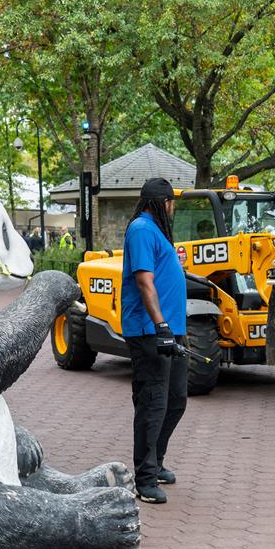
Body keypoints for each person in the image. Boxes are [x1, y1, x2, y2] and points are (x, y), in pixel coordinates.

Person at [120, 177, 187, 504]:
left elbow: (159, 273)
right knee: (152, 403)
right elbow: (145, 282)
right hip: (150, 332)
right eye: (171, 202)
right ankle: (144, 479)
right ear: (161, 202)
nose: (173, 208)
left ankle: (155, 462)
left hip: (169, 329)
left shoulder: (155, 231)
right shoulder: (143, 229)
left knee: (176, 399)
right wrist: (160, 324)